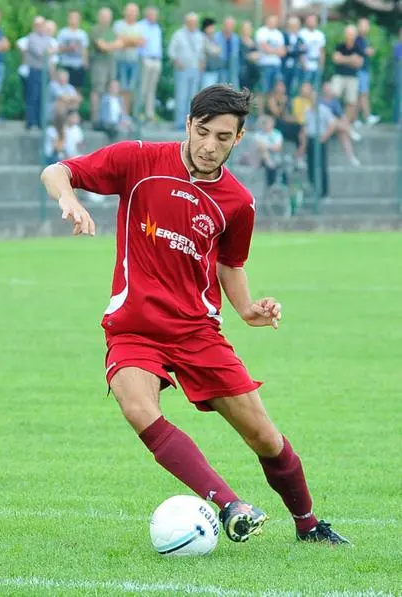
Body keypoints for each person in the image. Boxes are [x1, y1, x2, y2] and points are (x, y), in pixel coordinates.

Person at [40, 84, 349, 546]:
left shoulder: (238, 202)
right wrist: (69, 198)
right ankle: (231, 505)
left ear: (239, 138)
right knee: (137, 407)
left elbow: (230, 264)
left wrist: (247, 309)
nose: (210, 145)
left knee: (264, 437)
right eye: (202, 132)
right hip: (135, 326)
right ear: (188, 124)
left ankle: (308, 524)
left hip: (197, 332)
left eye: (223, 137)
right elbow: (56, 169)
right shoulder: (139, 161)